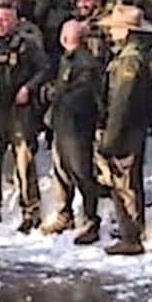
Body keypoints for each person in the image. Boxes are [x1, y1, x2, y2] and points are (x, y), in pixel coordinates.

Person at [0, 0, 51, 232]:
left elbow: (45, 69)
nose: (1, 24)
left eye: (6, 19)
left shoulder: (27, 44)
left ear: (15, 21)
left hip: (18, 108)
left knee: (24, 159)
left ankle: (31, 211)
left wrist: (29, 87)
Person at [96, 5, 152, 256]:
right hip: (131, 125)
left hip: (127, 128)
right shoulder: (134, 54)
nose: (110, 31)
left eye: (115, 27)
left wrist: (111, 136)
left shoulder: (129, 59)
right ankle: (129, 229)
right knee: (125, 180)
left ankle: (131, 235)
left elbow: (122, 99)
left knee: (125, 181)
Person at [42, 20, 104, 245]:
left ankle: (90, 220)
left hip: (77, 126)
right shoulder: (66, 60)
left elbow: (82, 96)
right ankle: (64, 214)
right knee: (61, 172)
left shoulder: (85, 63)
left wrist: (54, 94)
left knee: (81, 173)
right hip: (62, 124)